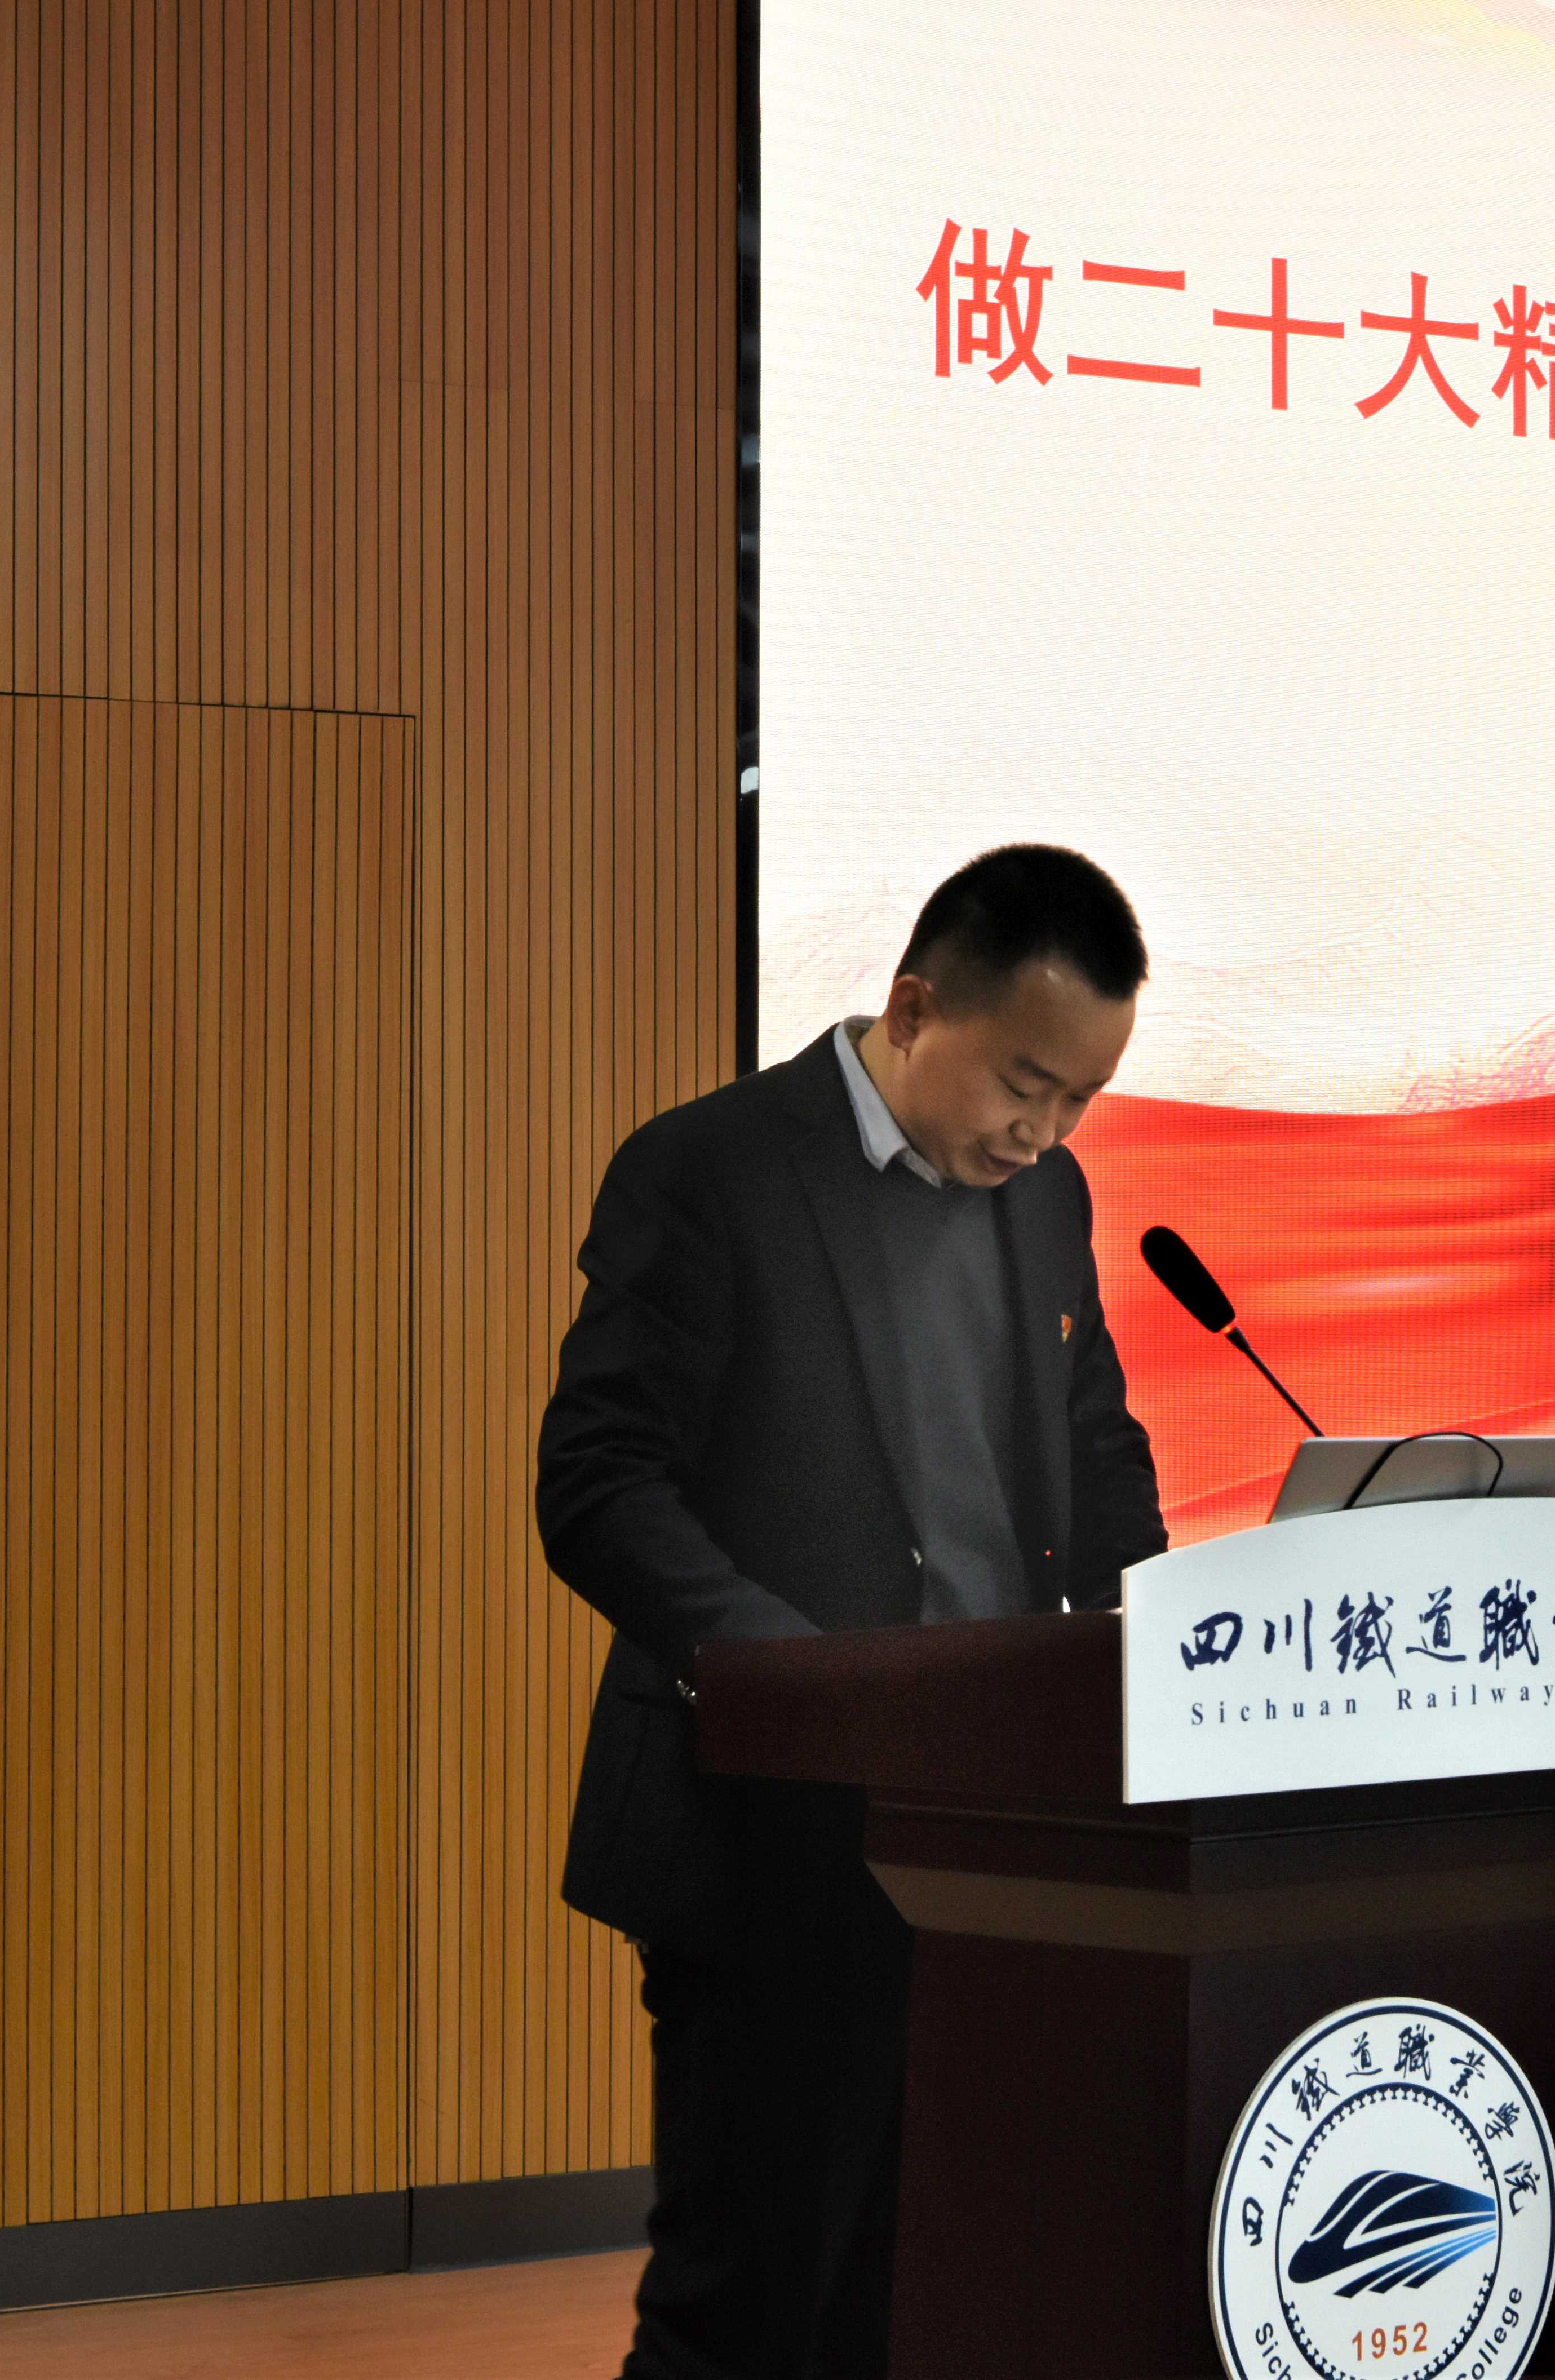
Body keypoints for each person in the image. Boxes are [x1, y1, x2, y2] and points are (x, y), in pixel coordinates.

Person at [536, 845, 1169, 2379]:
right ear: (913, 1008)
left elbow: (1091, 1447)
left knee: (928, 2300)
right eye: (1025, 1081)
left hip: (993, 1845)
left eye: (1080, 1099)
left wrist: (1172, 1629)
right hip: (772, 1838)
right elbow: (599, 1479)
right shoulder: (713, 1168)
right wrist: (803, 1682)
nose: (1043, 1130)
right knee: (747, 2311)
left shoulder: (1048, 1196)